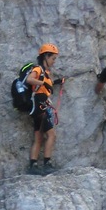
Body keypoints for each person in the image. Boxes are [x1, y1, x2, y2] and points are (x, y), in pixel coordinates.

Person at [26, 43, 61, 175]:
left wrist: (56, 82)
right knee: (51, 135)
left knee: (39, 137)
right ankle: (47, 164)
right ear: (46, 56)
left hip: (39, 105)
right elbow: (30, 80)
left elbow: (46, 85)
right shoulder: (38, 69)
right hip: (40, 104)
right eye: (53, 58)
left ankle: (33, 165)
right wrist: (43, 83)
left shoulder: (45, 73)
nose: (54, 61)